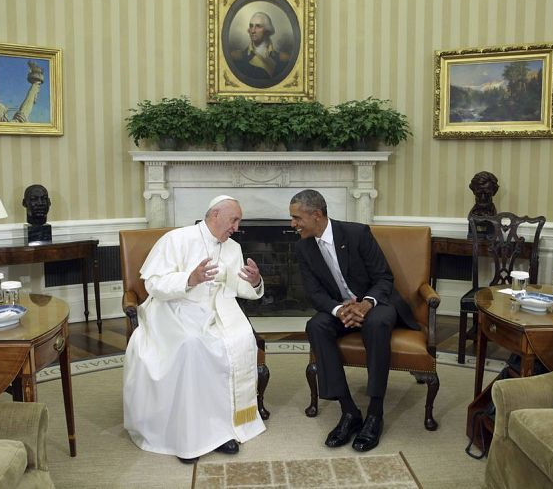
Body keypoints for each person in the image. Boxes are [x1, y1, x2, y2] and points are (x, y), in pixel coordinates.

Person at [123, 195, 266, 463]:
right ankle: (187, 437)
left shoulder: (233, 248)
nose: (237, 227)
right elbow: (153, 285)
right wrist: (189, 279)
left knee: (235, 343)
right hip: (173, 310)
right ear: (215, 215)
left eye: (238, 221)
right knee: (192, 346)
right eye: (233, 220)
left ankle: (222, 430)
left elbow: (239, 287)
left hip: (216, 312)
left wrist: (256, 282)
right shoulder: (177, 239)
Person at [288, 189, 420, 452]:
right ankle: (349, 411)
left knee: (377, 323)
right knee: (316, 325)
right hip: (341, 307)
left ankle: (375, 413)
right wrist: (340, 311)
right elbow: (314, 293)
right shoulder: (303, 247)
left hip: (376, 302)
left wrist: (365, 304)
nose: (293, 224)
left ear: (316, 215)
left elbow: (384, 277)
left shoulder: (357, 233)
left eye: (296, 218)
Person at [229, 11, 290, 85]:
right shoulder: (237, 57)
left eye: (258, 26)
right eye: (251, 26)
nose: (253, 31)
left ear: (267, 30)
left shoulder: (283, 59)